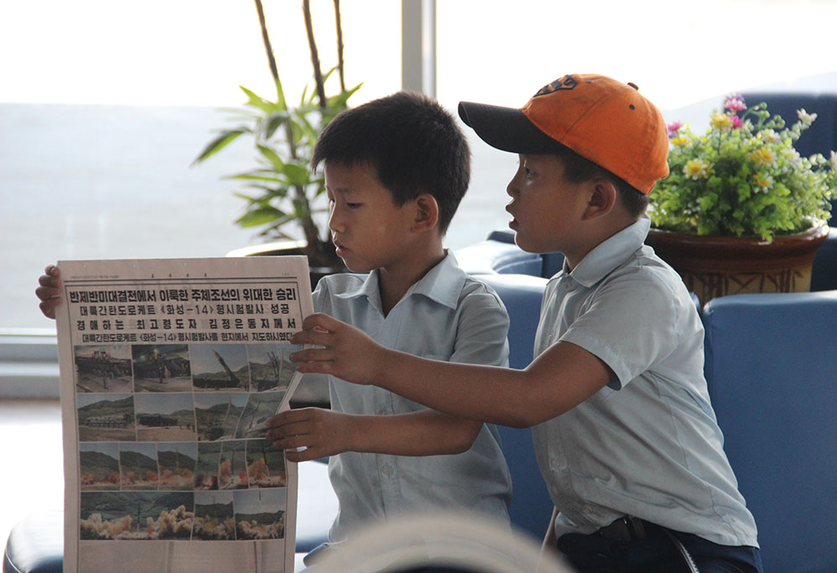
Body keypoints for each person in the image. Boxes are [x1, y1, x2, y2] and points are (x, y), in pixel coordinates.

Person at [286, 74, 763, 573]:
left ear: (597, 200)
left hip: (682, 550)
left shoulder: (644, 290)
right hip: (597, 548)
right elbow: (579, 463)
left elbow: (530, 400)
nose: (512, 187)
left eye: (532, 173)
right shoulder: (568, 287)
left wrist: (376, 363)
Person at [35, 92, 513, 557]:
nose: (334, 223)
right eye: (331, 202)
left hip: (462, 551)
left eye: (352, 204)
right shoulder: (329, 301)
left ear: (422, 213)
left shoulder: (475, 311)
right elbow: (207, 337)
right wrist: (78, 305)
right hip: (361, 548)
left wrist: (346, 432)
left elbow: (458, 429)